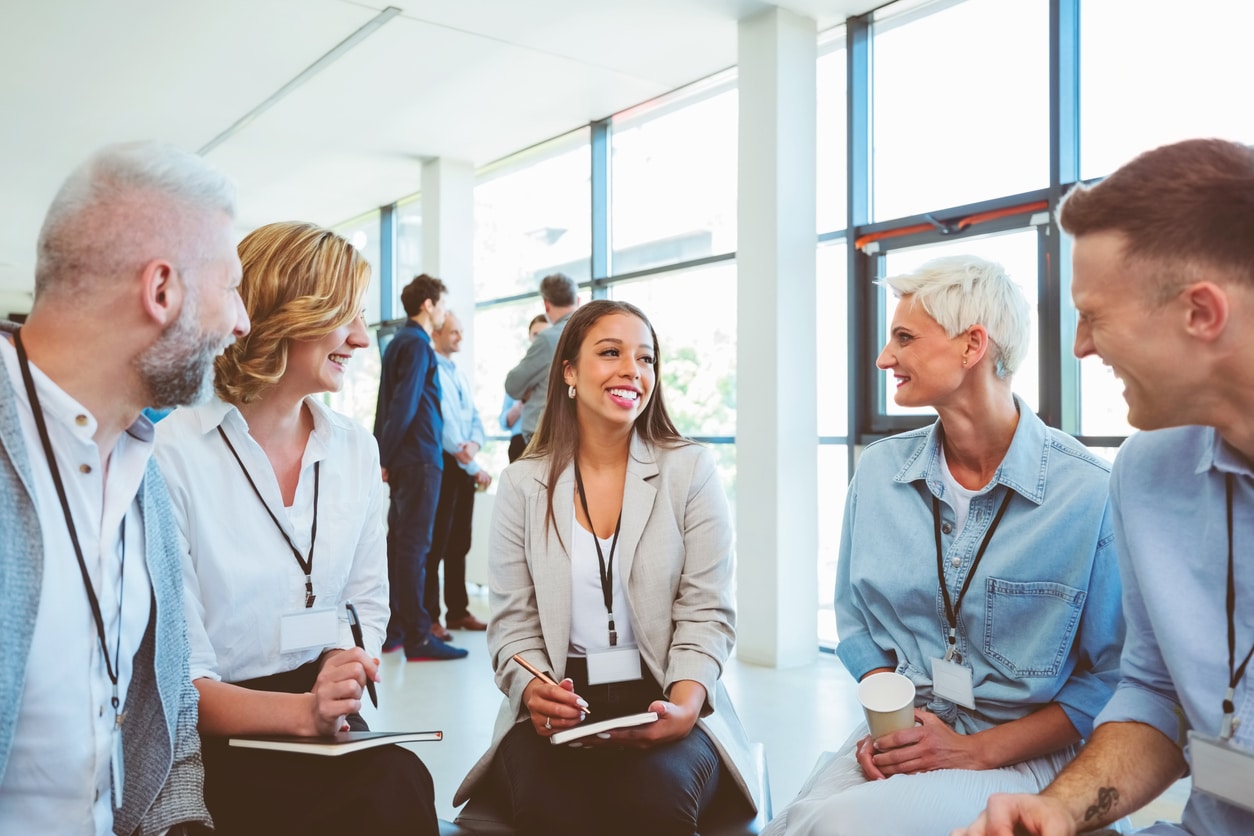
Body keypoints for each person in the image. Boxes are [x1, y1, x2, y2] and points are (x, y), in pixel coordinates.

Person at [765, 256, 1124, 835]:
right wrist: (892, 728)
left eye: (904, 338)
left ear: (972, 345)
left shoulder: (1087, 493)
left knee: (833, 828)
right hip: (913, 726)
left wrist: (974, 752)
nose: (885, 357)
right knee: (795, 822)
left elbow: (1110, 678)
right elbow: (856, 624)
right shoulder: (880, 473)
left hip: (1022, 750)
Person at [956, 139, 1254, 835]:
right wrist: (1057, 809)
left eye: (1093, 315)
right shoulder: (1148, 474)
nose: (1081, 346)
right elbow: (1155, 694)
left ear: (1200, 313)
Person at [152, 221, 438, 834]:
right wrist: (302, 713)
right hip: (223, 731)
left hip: (325, 712)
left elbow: (366, 603)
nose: (362, 339)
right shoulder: (171, 453)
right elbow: (180, 681)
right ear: (286, 314)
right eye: (346, 315)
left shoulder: (356, 451)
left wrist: (344, 666)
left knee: (401, 782)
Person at [0, 141, 250, 833]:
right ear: (162, 290)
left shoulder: (144, 468)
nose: (241, 323)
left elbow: (159, 705)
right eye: (230, 288)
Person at [454, 299, 760, 836]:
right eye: (611, 353)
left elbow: (706, 610)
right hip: (561, 701)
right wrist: (532, 692)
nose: (632, 371)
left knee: (653, 806)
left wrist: (686, 705)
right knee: (554, 813)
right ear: (569, 371)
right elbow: (512, 625)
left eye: (646, 359)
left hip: (665, 692)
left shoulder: (689, 469)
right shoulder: (523, 485)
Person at [374, 273, 467, 660]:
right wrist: (385, 455)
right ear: (428, 305)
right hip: (419, 458)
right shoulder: (418, 345)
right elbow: (405, 403)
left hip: (406, 459)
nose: (445, 313)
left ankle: (396, 630)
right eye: (442, 304)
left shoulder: (399, 342)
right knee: (414, 547)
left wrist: (383, 454)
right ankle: (417, 636)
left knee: (401, 546)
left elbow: (387, 403)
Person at [427, 310, 491, 638]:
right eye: (453, 332)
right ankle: (431, 617)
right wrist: (471, 462)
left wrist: (476, 446)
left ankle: (457, 612)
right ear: (436, 334)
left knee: (460, 543)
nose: (459, 337)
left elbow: (475, 418)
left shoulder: (460, 373)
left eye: (461, 331)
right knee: (436, 544)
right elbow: (446, 425)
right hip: (446, 464)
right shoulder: (432, 368)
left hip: (464, 465)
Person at [503, 273, 579, 454]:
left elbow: (513, 385)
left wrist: (527, 391)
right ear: (578, 300)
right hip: (577, 432)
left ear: (546, 304)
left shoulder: (548, 338)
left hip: (545, 435)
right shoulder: (590, 334)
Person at [501, 313, 551, 462]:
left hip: (547, 442)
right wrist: (522, 402)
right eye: (536, 334)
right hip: (519, 444)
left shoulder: (559, 372)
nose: (539, 339)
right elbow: (504, 422)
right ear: (529, 336)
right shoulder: (519, 375)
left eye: (545, 334)